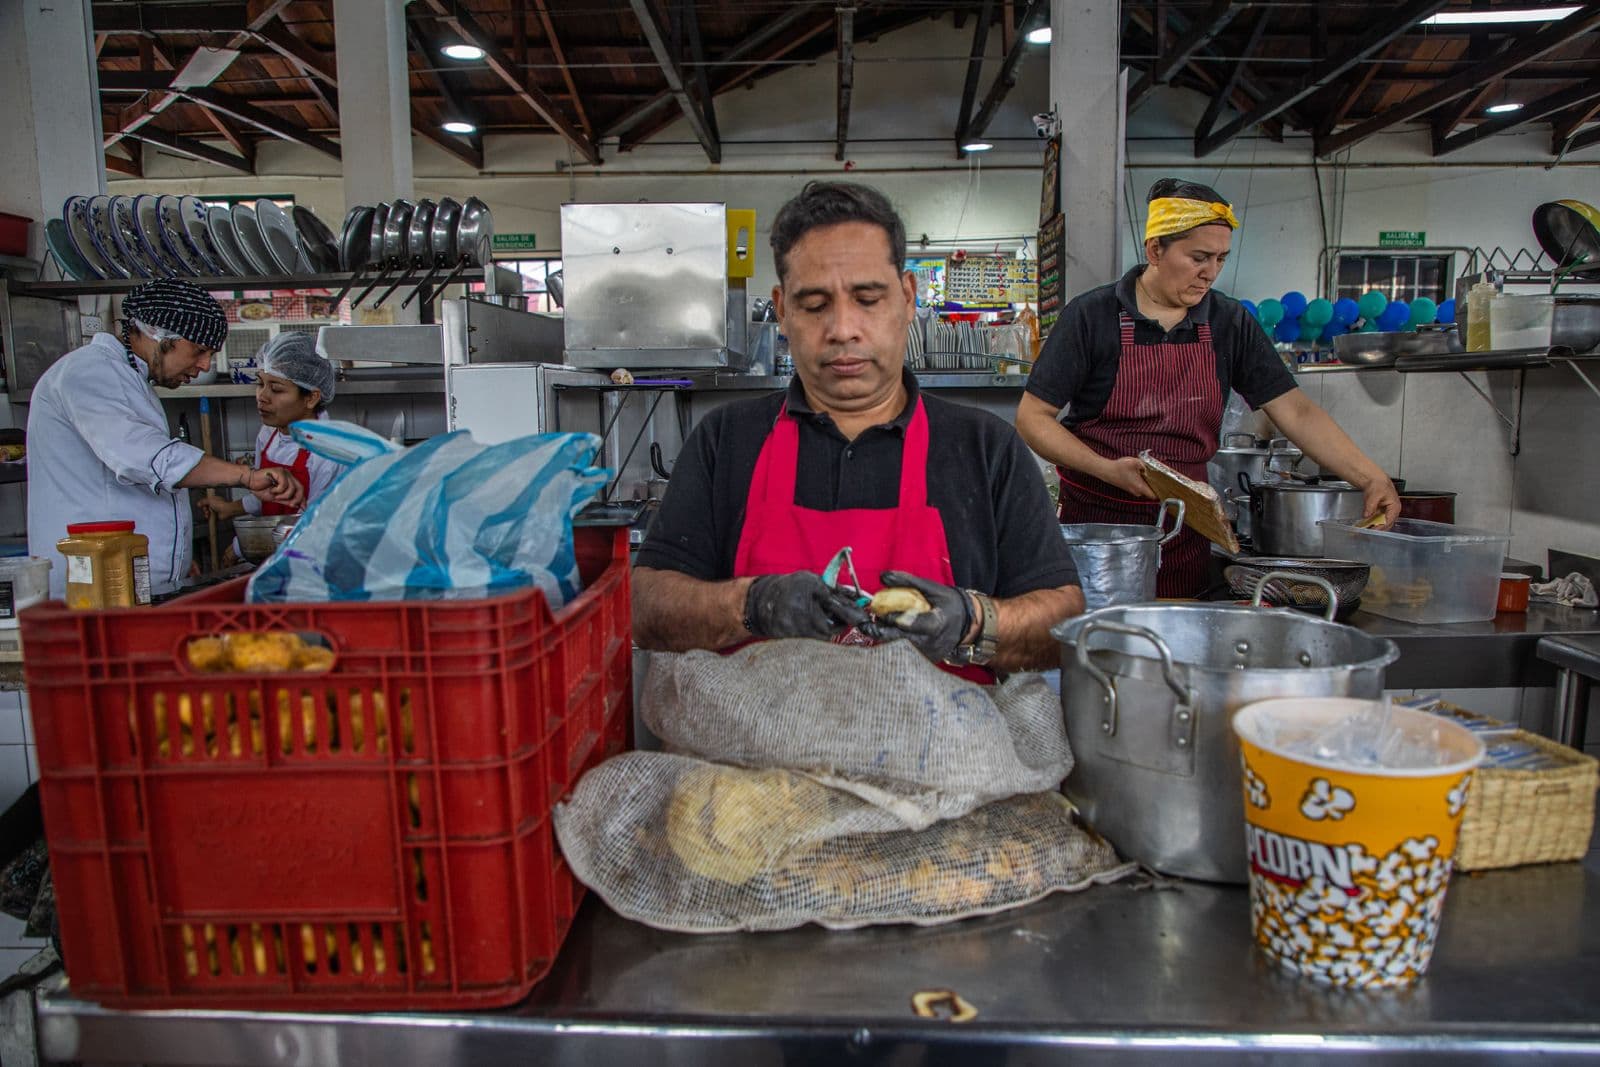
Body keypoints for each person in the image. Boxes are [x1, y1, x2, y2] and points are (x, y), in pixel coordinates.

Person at [632, 181, 1082, 676]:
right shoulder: (727, 440)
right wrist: (752, 604)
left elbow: (1063, 621)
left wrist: (973, 621)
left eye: (867, 298)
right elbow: (646, 608)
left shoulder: (984, 447)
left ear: (907, 297)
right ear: (781, 310)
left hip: (946, 747)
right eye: (814, 304)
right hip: (755, 746)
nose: (843, 328)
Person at [1015, 178, 1400, 597]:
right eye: (1198, 257)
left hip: (1185, 528)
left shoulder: (1228, 323)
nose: (1211, 273)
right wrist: (1107, 469)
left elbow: (1295, 410)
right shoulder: (1091, 317)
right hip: (1099, 529)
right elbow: (1033, 418)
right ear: (1155, 249)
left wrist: (1370, 478)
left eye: (1220, 258)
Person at [27, 279, 305, 598]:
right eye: (199, 351)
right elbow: (149, 460)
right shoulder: (89, 373)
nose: (203, 366)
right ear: (157, 334)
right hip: (94, 589)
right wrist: (247, 476)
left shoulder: (130, 381)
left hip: (129, 584)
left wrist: (176, 561)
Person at [197, 332, 342, 564]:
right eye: (260, 383)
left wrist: (240, 547)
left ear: (312, 397)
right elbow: (265, 494)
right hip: (274, 560)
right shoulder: (269, 434)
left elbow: (310, 523)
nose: (262, 397)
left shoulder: (328, 451)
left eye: (276, 388)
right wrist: (230, 509)